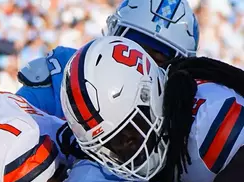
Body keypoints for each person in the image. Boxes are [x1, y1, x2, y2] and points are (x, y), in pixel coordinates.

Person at [60, 37, 244, 182]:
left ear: (151, 96)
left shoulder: (214, 127)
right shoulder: (164, 120)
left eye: (128, 135)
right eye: (108, 146)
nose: (124, 152)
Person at [17, 0, 199, 117]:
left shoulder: (182, 116)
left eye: (156, 60)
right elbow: (11, 126)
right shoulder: (63, 77)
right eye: (129, 51)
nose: (140, 66)